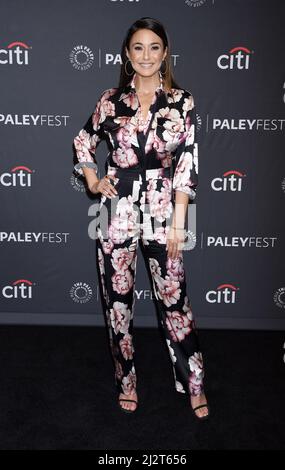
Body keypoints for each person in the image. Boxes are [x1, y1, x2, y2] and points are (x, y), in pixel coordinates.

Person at [73, 17, 209, 419]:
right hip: (114, 211)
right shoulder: (110, 99)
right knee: (116, 302)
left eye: (154, 47)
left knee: (175, 301)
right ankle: (126, 380)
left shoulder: (183, 101)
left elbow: (187, 162)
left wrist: (180, 222)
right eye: (138, 47)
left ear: (165, 53)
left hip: (167, 208)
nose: (146, 55)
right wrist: (94, 181)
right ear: (127, 55)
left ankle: (193, 382)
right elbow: (84, 139)